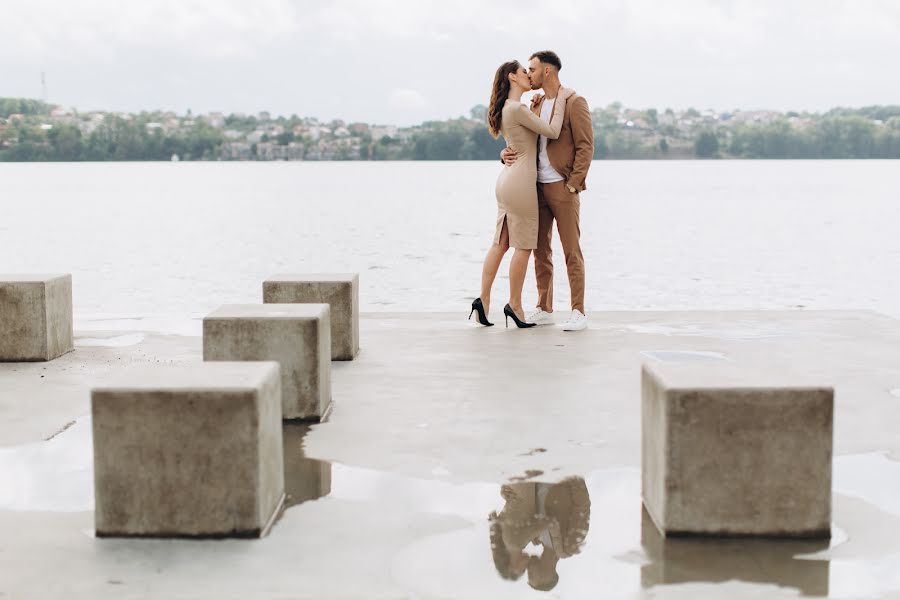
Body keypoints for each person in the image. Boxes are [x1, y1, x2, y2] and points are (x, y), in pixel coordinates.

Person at [470, 59, 574, 329]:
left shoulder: (509, 108)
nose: (528, 75)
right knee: (524, 246)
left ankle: (482, 301)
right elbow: (551, 131)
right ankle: (514, 305)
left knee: (500, 244)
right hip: (521, 182)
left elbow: (522, 139)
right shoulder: (517, 108)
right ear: (512, 78)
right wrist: (560, 99)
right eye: (523, 72)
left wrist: (535, 110)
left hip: (506, 181)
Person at [501, 50, 594, 332]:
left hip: (563, 187)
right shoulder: (536, 103)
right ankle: (544, 307)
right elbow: (523, 139)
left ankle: (578, 311)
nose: (528, 74)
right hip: (535, 187)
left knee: (571, 251)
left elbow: (585, 146)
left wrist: (573, 183)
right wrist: (504, 154)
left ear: (548, 72)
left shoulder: (575, 101)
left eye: (532, 69)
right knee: (541, 251)